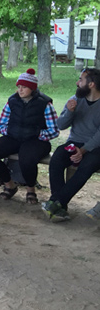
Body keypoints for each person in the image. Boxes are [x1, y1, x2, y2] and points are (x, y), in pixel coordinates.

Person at [42, 68, 100, 222]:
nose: (77, 82)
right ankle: (61, 208)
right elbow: (60, 125)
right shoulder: (76, 99)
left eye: (81, 80)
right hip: (74, 142)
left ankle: (57, 202)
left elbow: (99, 136)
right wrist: (69, 111)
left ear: (92, 84)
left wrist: (83, 150)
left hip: (95, 147)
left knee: (86, 166)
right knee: (57, 159)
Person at [0, 69, 59, 205]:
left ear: (32, 88)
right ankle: (9, 184)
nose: (20, 90)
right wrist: (10, 131)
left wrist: (38, 134)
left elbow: (54, 130)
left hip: (37, 140)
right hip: (14, 137)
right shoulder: (12, 101)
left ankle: (31, 189)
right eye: (18, 87)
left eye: (24, 87)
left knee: (27, 159)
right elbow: (1, 124)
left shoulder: (45, 103)